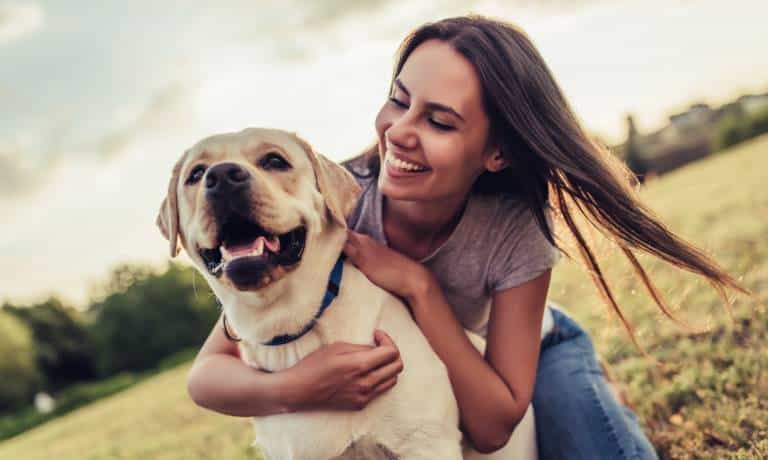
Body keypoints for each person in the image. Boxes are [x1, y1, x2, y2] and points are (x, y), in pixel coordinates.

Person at [186, 16, 745, 459]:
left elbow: (493, 423)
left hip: (529, 355)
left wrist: (419, 287)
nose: (400, 132)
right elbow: (209, 374)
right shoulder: (333, 205)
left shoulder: (514, 230)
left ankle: (595, 393)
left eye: (441, 122)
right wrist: (297, 388)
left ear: (497, 152)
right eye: (399, 100)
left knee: (591, 441)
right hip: (432, 382)